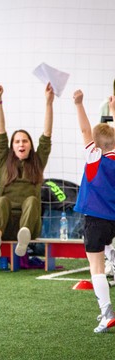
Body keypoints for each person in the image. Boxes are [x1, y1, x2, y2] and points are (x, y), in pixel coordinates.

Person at [0, 83, 54, 258]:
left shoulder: (37, 162)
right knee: (2, 201)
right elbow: (1, 132)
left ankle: (24, 238)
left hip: (29, 226)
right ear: (12, 147)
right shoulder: (4, 161)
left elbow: (46, 135)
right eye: (17, 141)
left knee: (32, 200)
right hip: (7, 225)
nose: (21, 144)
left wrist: (49, 102)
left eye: (25, 141)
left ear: (31, 146)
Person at [73, 89, 115, 333]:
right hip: (113, 219)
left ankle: (106, 311)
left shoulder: (94, 158)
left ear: (96, 145)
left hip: (95, 220)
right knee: (108, 250)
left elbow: (84, 131)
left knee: (96, 268)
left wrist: (79, 104)